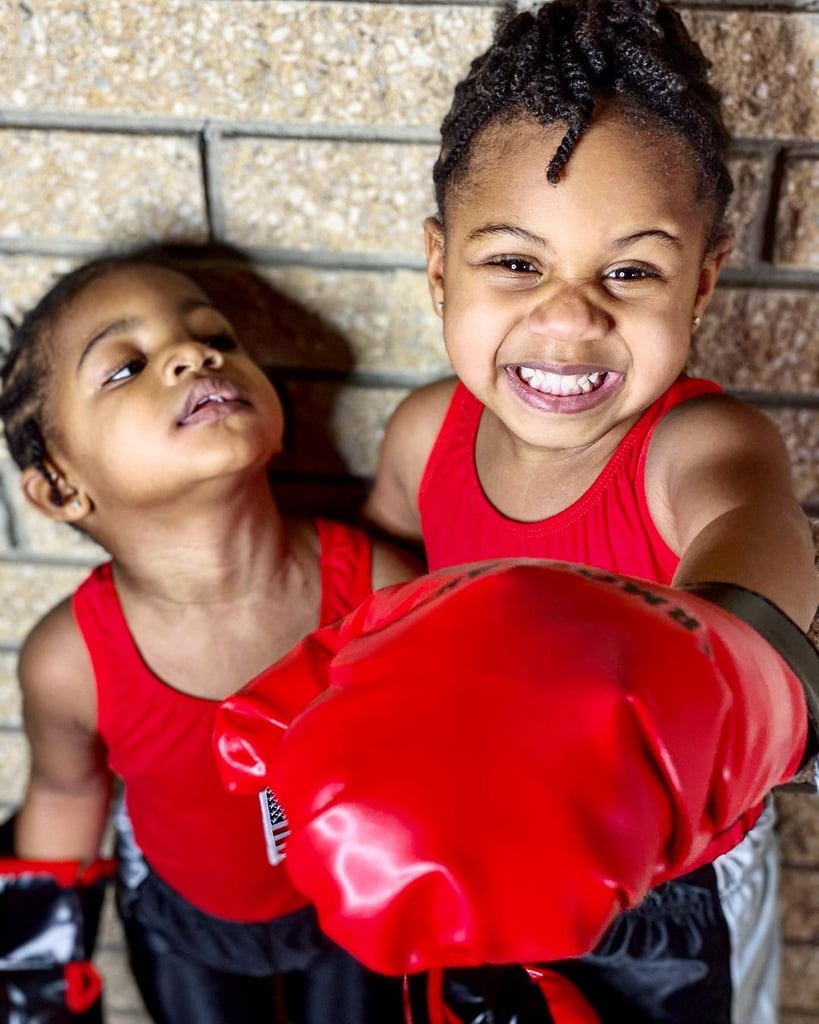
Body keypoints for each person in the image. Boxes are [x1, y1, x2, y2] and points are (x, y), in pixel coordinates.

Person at [358, 1, 819, 1022]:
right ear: (440, 269)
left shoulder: (701, 451)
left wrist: (716, 666)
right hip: (471, 844)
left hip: (670, 891)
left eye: (630, 271)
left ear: (700, 286)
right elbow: (385, 555)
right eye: (517, 262)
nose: (569, 317)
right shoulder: (422, 434)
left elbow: (758, 573)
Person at [0, 252, 417, 1024]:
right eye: (125, 368)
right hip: (182, 923)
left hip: (356, 915)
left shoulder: (378, 590)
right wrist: (36, 973)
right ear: (59, 486)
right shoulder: (71, 663)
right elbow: (66, 792)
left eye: (214, 334)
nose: (197, 355)